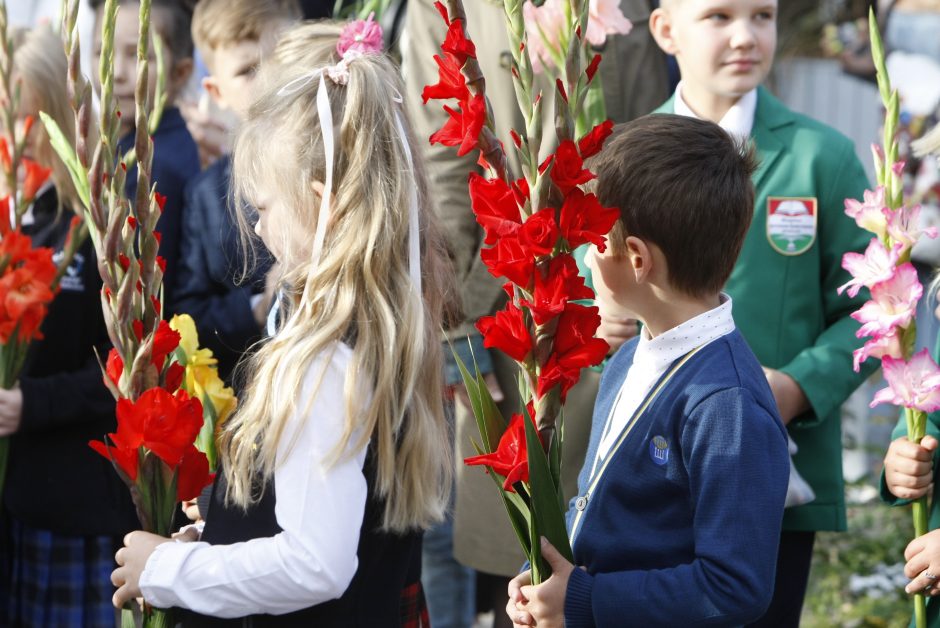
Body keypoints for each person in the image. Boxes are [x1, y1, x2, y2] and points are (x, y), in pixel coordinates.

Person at [109, 20, 452, 626]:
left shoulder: (326, 358)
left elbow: (315, 562)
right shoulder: (377, 319)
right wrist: (217, 537)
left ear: (319, 203)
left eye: (264, 208)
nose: (260, 229)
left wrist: (166, 571)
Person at [400, 2, 670, 625]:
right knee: (518, 567)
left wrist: (623, 279)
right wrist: (463, 338)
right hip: (509, 310)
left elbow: (644, 149)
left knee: (610, 557)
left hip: (610, 305)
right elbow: (443, 183)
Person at [505, 114, 790, 627]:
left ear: (635, 258)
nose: (589, 259)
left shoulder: (728, 404)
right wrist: (549, 577)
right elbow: (600, 499)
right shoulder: (631, 356)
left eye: (594, 240)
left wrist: (585, 600)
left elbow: (735, 586)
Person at [642, 1, 874, 623]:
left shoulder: (822, 157)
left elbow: (876, 307)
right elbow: (595, 285)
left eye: (763, 15)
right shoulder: (626, 154)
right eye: (718, 16)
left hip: (776, 475)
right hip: (653, 469)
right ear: (666, 30)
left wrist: (798, 386)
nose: (746, 36)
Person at [0, 26, 138, 628]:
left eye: (28, 120)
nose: (15, 138)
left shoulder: (104, 216)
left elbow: (123, 364)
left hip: (67, 502)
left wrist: (31, 402)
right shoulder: (12, 205)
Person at [171, 0, 300, 382]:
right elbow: (189, 318)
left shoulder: (342, 158)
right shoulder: (207, 196)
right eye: (248, 70)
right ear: (216, 90)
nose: (270, 78)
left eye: (282, 56)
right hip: (253, 397)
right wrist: (258, 305)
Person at [90, 0, 201, 308]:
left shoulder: (155, 164)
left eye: (138, 56)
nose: (118, 73)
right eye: (103, 53)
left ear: (180, 72)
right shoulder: (113, 147)